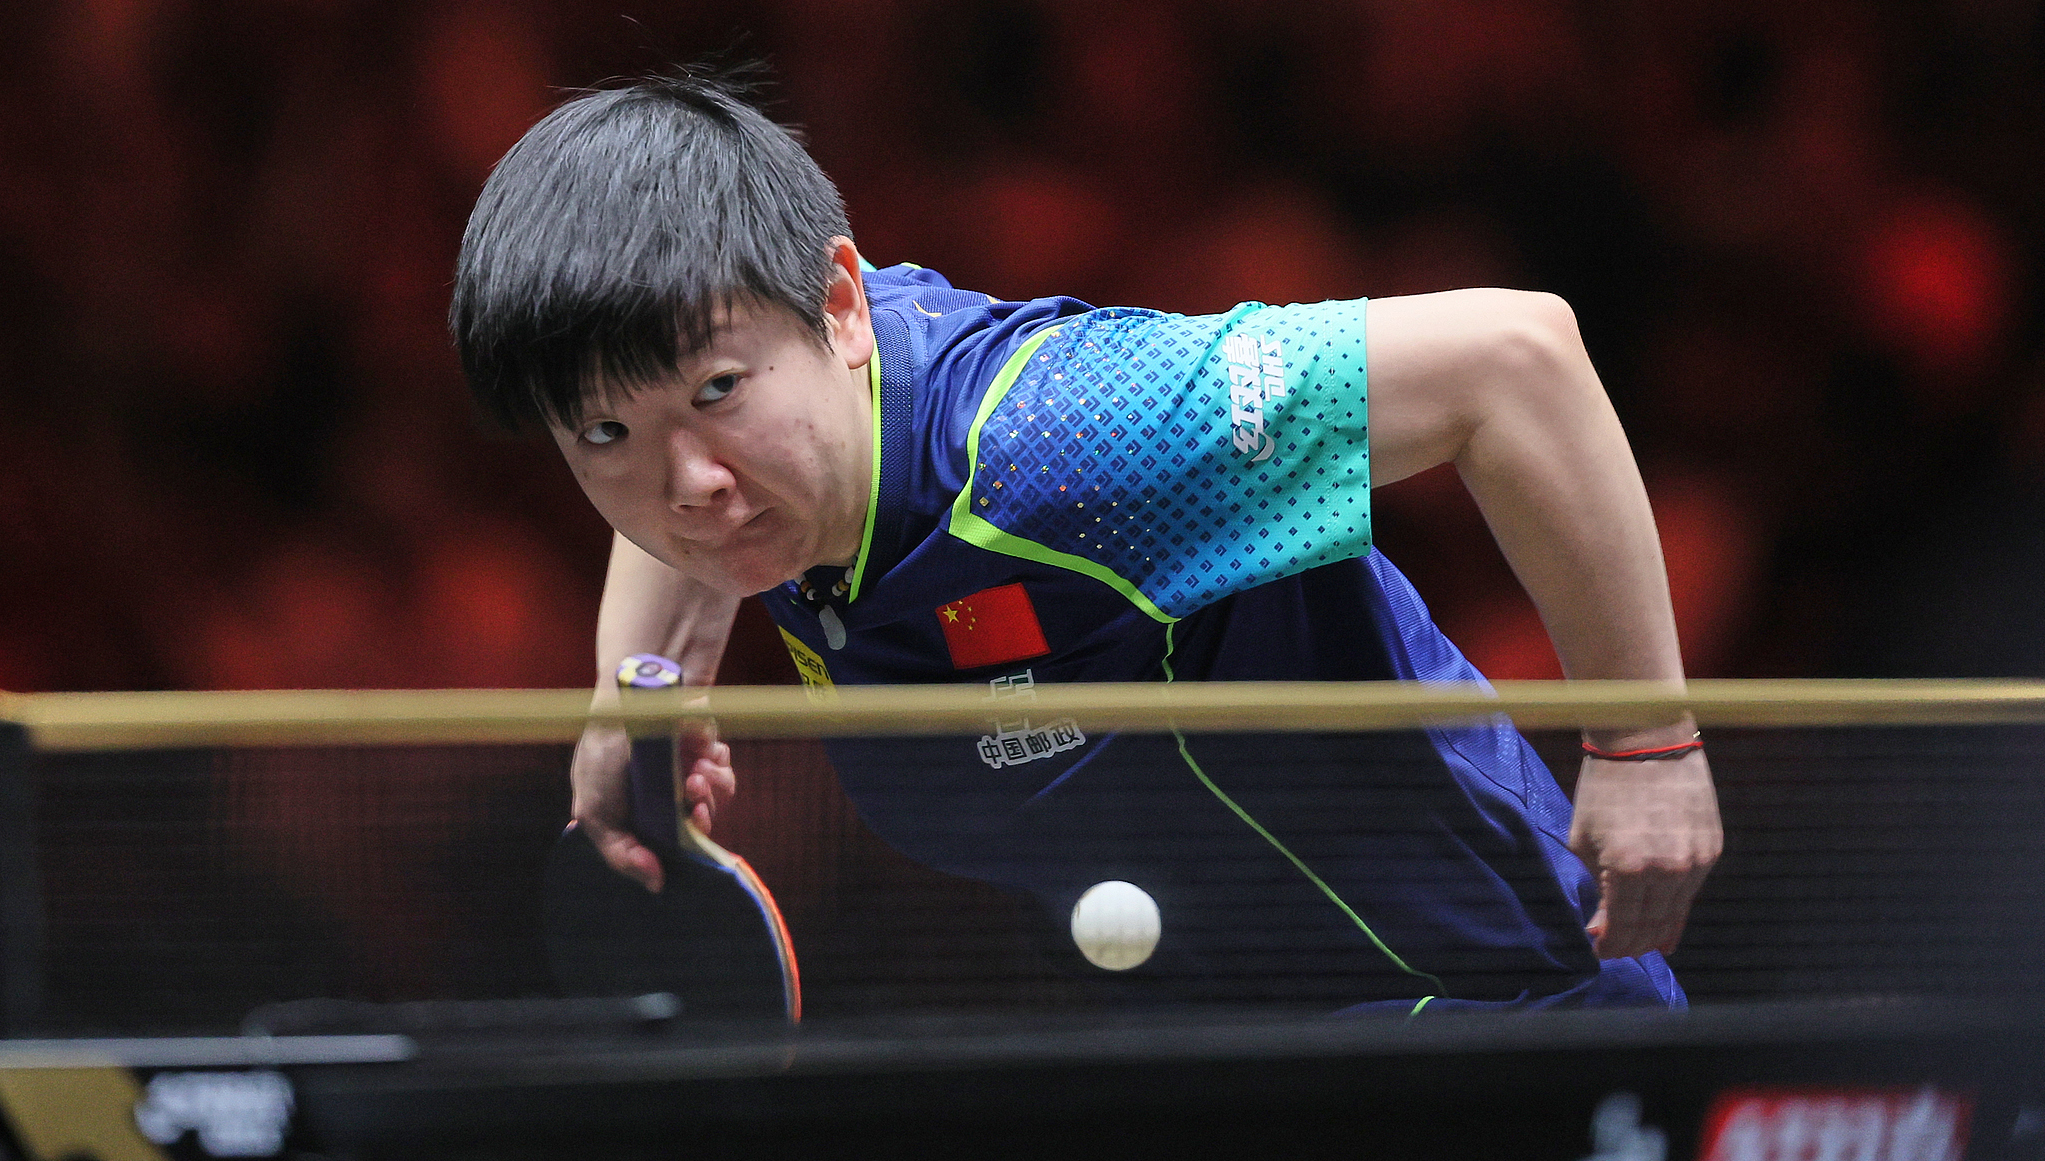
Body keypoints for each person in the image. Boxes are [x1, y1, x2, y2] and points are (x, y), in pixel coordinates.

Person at [451, 67, 1721, 1012]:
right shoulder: (755, 477)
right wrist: (637, 696)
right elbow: (679, 503)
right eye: (602, 436)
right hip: (1222, 1060)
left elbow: (1515, 360)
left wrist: (1645, 741)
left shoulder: (1065, 439)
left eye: (719, 392)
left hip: (1499, 1025)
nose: (688, 487)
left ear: (838, 307)